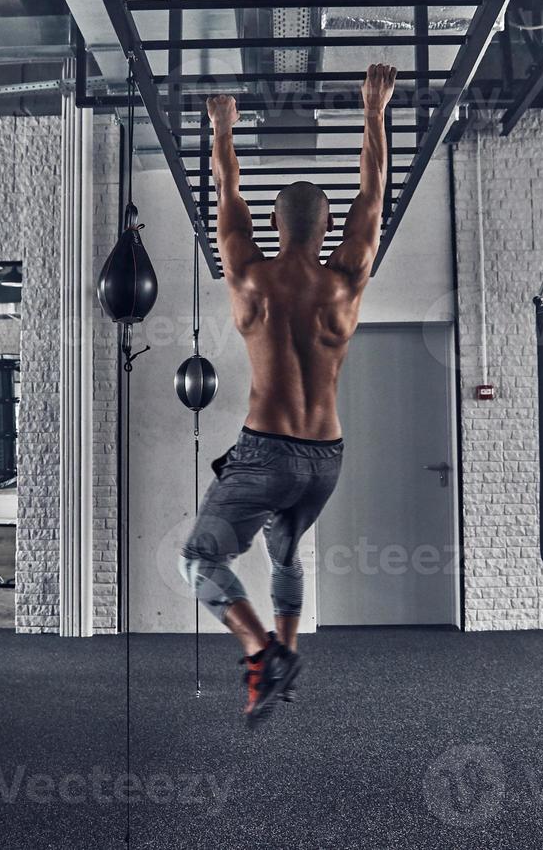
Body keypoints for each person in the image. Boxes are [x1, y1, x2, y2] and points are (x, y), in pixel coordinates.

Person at [179, 63, 397, 729]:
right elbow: (375, 189)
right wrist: (373, 110)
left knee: (199, 559)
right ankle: (291, 657)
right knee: (285, 551)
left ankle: (264, 653)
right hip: (325, 459)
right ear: (331, 229)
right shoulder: (347, 281)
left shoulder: (248, 276)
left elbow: (226, 191)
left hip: (267, 454)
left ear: (272, 225)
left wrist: (223, 129)